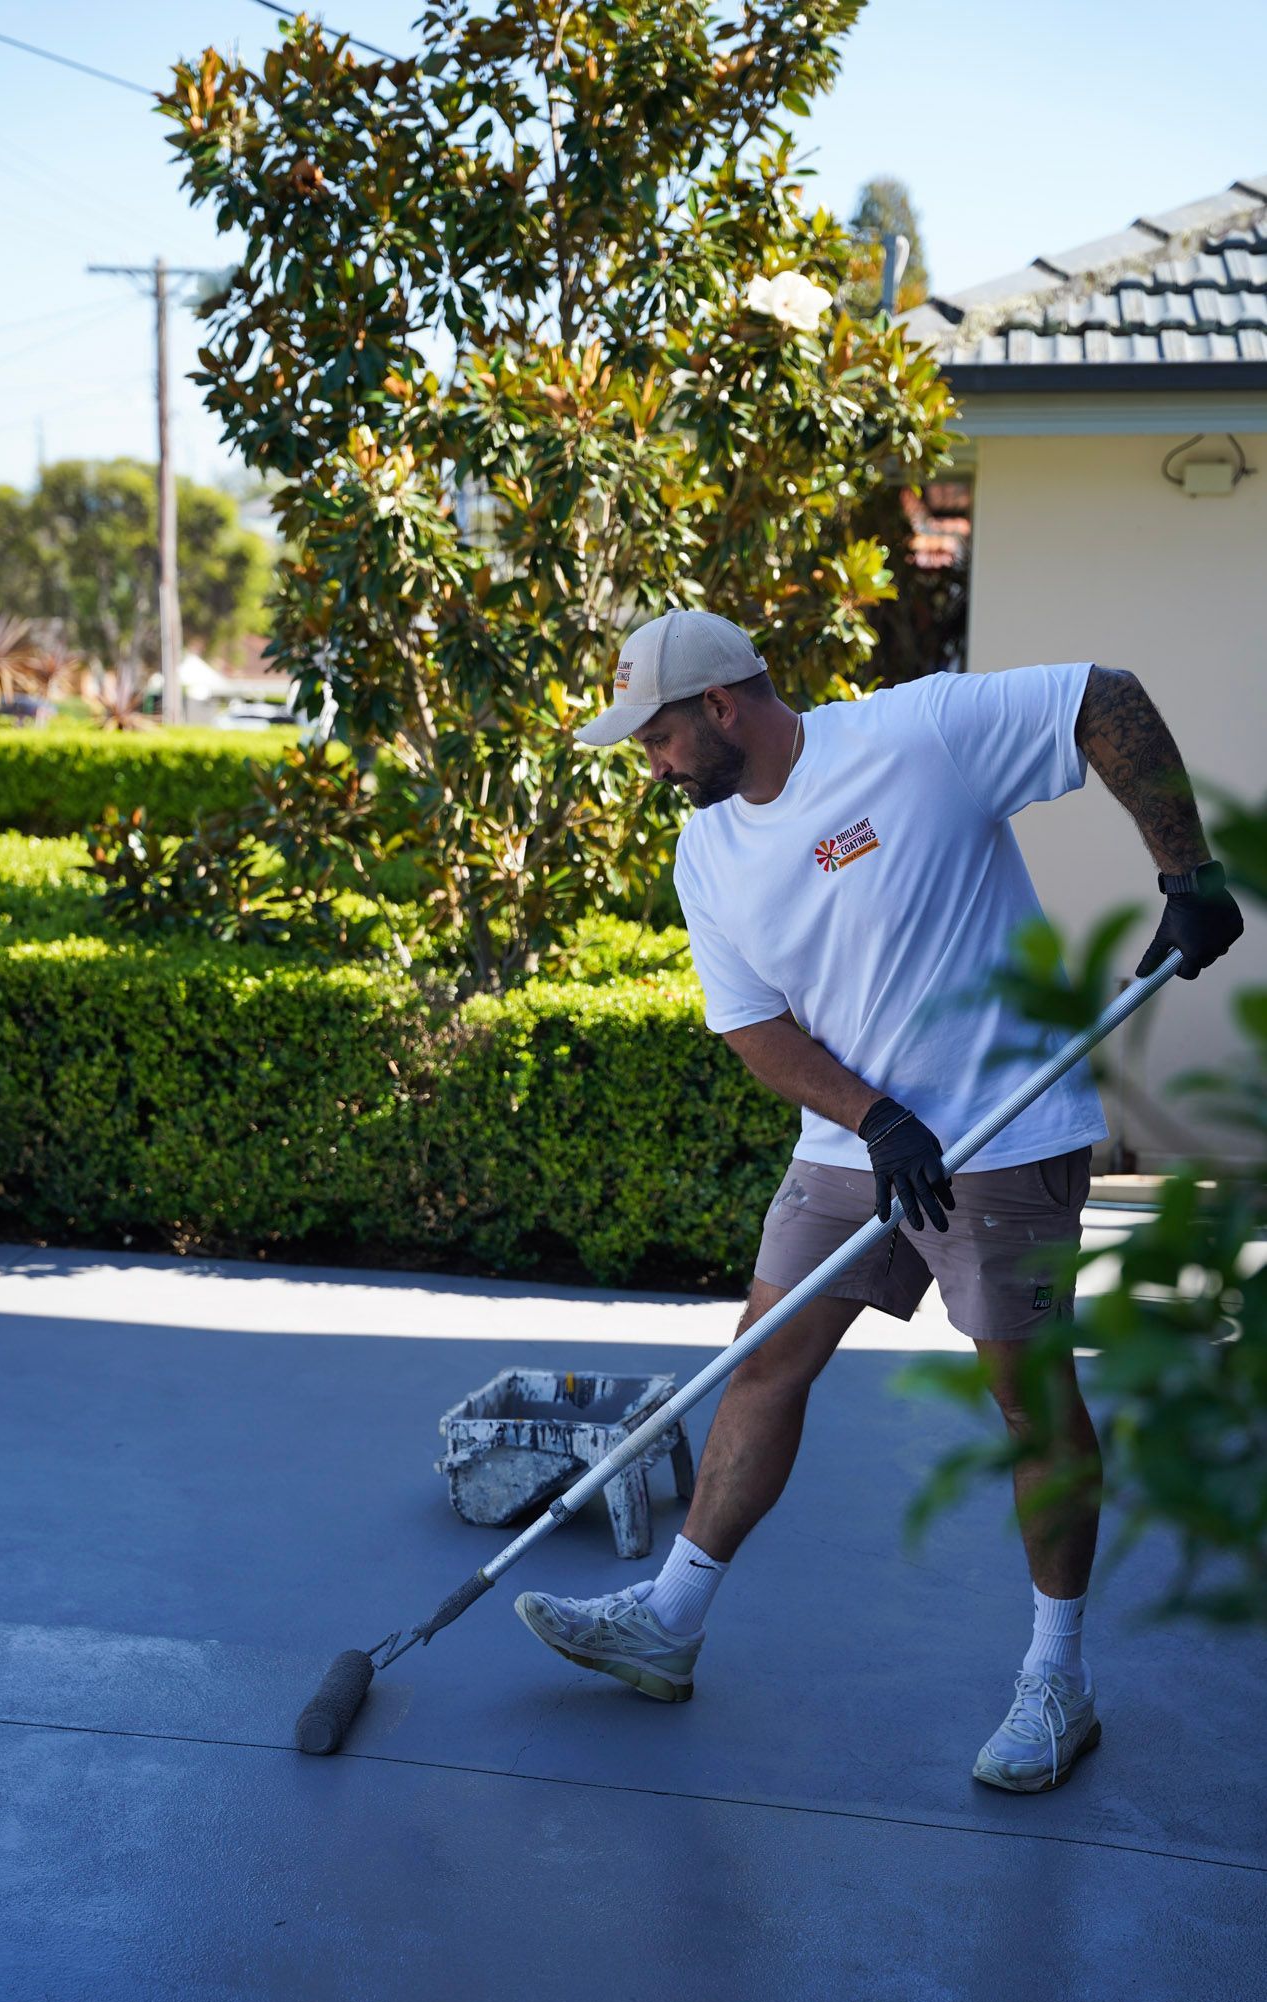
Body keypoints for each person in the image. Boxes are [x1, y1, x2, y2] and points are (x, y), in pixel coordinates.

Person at [514, 610, 1244, 1794]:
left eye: (655, 737)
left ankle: (1060, 1679)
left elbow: (1104, 695)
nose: (649, 766)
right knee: (763, 1358)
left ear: (721, 707)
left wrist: (1188, 871)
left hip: (1004, 1130)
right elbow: (752, 1022)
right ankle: (671, 1620)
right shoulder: (708, 853)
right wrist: (874, 1119)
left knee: (1027, 1400)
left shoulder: (916, 736)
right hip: (855, 1136)